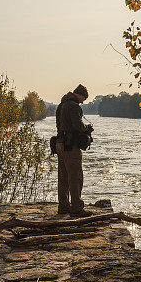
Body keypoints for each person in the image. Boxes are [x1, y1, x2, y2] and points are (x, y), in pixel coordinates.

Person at [55, 84, 92, 217]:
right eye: (83, 99)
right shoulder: (74, 106)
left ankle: (63, 206)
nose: (83, 102)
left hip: (60, 144)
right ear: (80, 95)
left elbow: (59, 126)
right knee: (75, 177)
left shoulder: (61, 105)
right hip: (71, 146)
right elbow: (77, 125)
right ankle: (76, 208)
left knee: (63, 177)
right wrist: (87, 128)